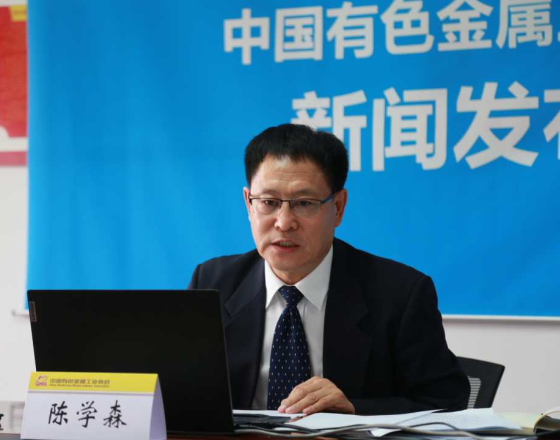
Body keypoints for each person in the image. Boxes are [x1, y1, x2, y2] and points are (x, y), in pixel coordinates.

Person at [188, 124, 469, 415]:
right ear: (248, 204)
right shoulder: (213, 282)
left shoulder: (400, 294)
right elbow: (183, 392)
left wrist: (354, 409)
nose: (284, 222)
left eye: (304, 203)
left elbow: (447, 403)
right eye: (269, 202)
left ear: (338, 207)